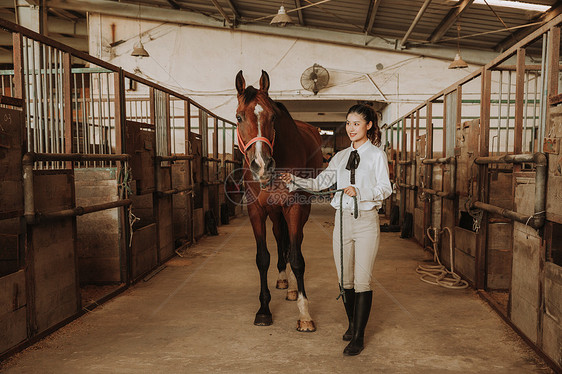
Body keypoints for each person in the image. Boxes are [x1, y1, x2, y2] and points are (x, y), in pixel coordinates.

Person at [280, 103, 392, 356]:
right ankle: (352, 324)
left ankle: (359, 337)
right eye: (349, 123)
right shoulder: (340, 157)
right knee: (345, 280)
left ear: (369, 125)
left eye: (356, 123)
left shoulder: (377, 155)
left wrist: (361, 191)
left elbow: (386, 188)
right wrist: (295, 180)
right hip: (341, 221)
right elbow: (321, 182)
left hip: (365, 220)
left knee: (362, 280)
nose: (351, 128)